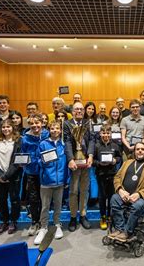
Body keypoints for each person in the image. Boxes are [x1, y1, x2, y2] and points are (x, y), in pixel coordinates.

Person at [109, 142, 144, 242]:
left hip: (142, 197)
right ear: (134, 152)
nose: (140, 151)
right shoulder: (126, 163)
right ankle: (119, 229)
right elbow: (117, 177)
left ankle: (127, 232)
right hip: (124, 195)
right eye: (137, 149)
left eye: (142, 149)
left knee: (137, 206)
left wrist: (139, 194)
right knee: (114, 199)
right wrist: (120, 190)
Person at [64, 102, 95, 231]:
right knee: (73, 190)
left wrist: (91, 155)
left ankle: (83, 215)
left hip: (86, 161)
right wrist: (70, 159)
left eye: (81, 109)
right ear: (72, 111)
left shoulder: (89, 123)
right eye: (76, 109)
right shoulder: (67, 124)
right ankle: (72, 217)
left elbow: (92, 140)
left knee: (84, 190)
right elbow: (66, 142)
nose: (79, 111)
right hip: (74, 163)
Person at [35, 121, 67, 243]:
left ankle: (57, 224)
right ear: (49, 130)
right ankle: (43, 227)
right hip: (46, 181)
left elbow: (66, 162)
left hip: (60, 182)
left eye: (57, 128)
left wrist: (66, 178)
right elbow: (37, 159)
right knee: (45, 206)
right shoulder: (43, 144)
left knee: (58, 205)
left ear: (60, 130)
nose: (54, 130)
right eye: (52, 128)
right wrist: (43, 161)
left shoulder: (63, 144)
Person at [0, 119, 22, 236]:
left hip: (13, 176)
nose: (6, 129)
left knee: (14, 200)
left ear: (13, 128)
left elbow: (17, 161)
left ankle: (13, 221)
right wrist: (0, 175)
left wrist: (7, 175)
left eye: (8, 127)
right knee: (0, 201)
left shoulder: (18, 141)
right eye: (3, 127)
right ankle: (4, 221)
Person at [21, 113, 50, 236]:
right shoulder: (25, 138)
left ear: (42, 123)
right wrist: (23, 162)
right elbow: (23, 154)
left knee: (45, 198)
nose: (34, 125)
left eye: (37, 123)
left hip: (45, 171)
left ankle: (44, 222)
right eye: (31, 123)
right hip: (32, 172)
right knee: (33, 198)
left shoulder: (47, 135)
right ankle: (34, 222)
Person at [93, 124, 122, 230]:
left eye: (108, 133)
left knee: (111, 197)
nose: (106, 135)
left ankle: (110, 216)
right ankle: (103, 217)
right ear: (100, 134)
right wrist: (99, 163)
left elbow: (119, 157)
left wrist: (116, 160)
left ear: (111, 134)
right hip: (100, 174)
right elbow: (92, 161)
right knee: (102, 197)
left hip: (112, 174)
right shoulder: (96, 146)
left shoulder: (115, 145)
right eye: (104, 133)